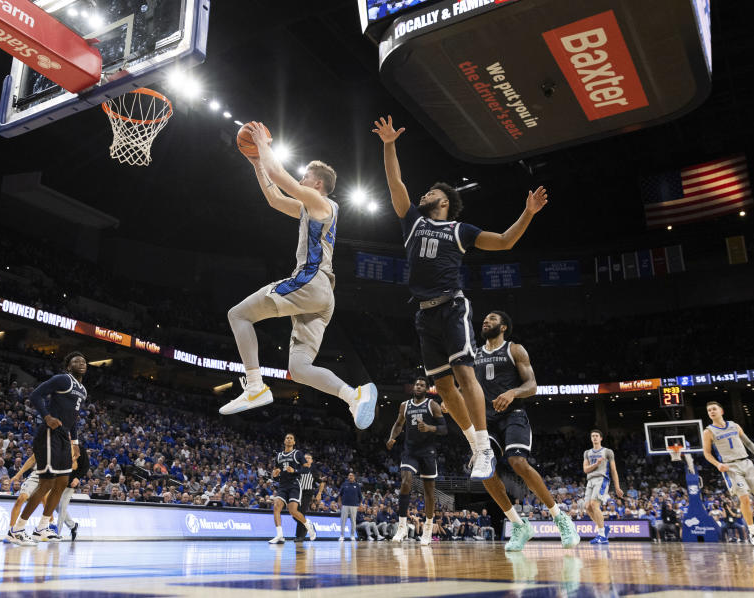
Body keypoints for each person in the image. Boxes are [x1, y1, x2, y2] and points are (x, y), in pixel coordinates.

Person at [372, 115, 548, 480]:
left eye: (430, 194)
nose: (423, 196)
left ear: (445, 202)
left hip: (452, 306)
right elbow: (394, 182)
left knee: (465, 374)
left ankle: (484, 447)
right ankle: (475, 445)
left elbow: (504, 242)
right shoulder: (412, 223)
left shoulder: (459, 229)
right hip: (424, 316)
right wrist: (389, 144)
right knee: (445, 390)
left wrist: (528, 214)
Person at [220, 122, 376, 428]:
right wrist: (256, 163)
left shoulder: (321, 203)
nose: (301, 179)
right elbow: (275, 198)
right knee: (300, 368)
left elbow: (280, 176)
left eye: (306, 176)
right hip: (322, 297)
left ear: (317, 184)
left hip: (309, 282)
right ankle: (353, 396)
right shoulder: (311, 208)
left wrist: (263, 143)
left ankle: (254, 385)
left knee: (238, 315)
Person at [472, 310, 579, 550]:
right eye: (485, 318)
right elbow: (466, 387)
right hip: (486, 420)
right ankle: (518, 525)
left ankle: (560, 518)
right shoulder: (475, 354)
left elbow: (532, 385)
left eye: (492, 318)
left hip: (513, 415)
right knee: (484, 468)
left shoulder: (514, 349)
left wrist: (512, 392)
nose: (486, 320)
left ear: (503, 327)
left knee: (518, 462)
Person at [9, 352, 88, 545]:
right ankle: (17, 529)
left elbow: (74, 420)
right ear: (68, 366)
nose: (81, 363)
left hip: (64, 438)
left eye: (84, 361)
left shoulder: (83, 391)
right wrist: (46, 417)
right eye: (76, 361)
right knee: (46, 483)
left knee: (61, 484)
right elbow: (36, 395)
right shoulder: (63, 379)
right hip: (49, 433)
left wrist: (75, 444)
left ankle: (42, 528)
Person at [702, 401, 754, 547]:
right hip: (730, 466)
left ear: (721, 411)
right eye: (709, 410)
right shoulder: (708, 431)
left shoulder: (734, 425)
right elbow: (706, 453)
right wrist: (718, 464)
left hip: (746, 463)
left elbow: (748, 442)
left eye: (714, 409)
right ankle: (753, 533)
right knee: (745, 499)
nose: (711, 412)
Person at [386, 377, 447, 545]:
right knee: (406, 481)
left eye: (422, 385)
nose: (418, 387)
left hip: (427, 451)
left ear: (426, 388)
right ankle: (402, 526)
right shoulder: (405, 405)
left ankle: (427, 528)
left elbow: (444, 429)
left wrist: (429, 428)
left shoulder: (432, 405)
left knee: (429, 491)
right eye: (416, 384)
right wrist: (392, 437)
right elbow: (398, 424)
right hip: (410, 451)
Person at [268, 433, 316, 544]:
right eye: (287, 438)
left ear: (294, 442)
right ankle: (279, 535)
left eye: (291, 438)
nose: (289, 440)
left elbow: (306, 469)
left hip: (294, 484)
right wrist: (275, 474)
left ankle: (308, 524)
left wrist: (294, 471)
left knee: (293, 511)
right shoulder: (279, 456)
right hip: (283, 485)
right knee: (276, 507)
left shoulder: (298, 454)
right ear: (284, 441)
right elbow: (275, 472)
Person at [583, 429, 624, 544]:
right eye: (593, 436)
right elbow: (585, 469)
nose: (594, 438)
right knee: (587, 507)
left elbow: (613, 470)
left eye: (596, 436)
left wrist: (617, 487)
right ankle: (603, 528)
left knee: (594, 504)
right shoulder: (587, 453)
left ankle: (602, 535)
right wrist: (596, 464)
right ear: (591, 439)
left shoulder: (608, 452)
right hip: (590, 480)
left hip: (602, 479)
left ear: (601, 438)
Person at [56, 448, 90, 541]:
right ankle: (73, 525)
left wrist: (77, 478)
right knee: (55, 506)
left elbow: (86, 466)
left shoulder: (79, 448)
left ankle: (56, 533)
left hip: (70, 482)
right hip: (57, 481)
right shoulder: (60, 445)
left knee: (62, 507)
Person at [294, 453, 326, 541]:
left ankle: (299, 536)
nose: (307, 459)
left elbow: (322, 482)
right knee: (294, 513)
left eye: (309, 458)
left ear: (311, 461)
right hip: (297, 492)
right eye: (305, 458)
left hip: (307, 493)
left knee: (301, 512)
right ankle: (307, 525)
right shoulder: (299, 468)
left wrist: (319, 493)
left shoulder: (313, 470)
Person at [338, 471, 363, 542]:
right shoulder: (344, 484)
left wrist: (360, 505)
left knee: (353, 521)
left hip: (354, 506)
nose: (350, 476)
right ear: (348, 477)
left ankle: (352, 536)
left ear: (354, 477)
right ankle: (342, 536)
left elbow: (360, 497)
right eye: (349, 475)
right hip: (345, 505)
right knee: (343, 521)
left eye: (352, 475)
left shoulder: (357, 485)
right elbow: (340, 495)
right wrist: (339, 503)